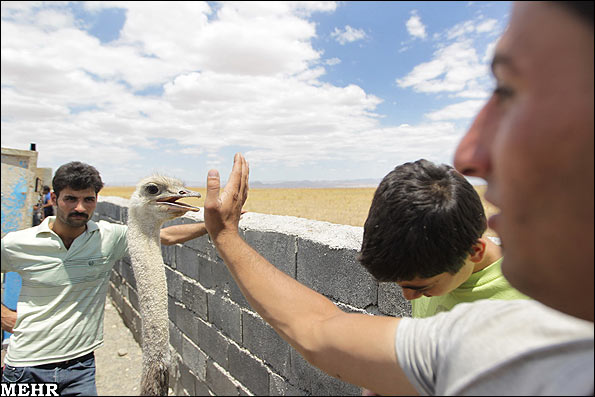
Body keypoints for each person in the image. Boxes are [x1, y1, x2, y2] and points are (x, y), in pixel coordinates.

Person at [202, 2, 593, 395]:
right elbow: (322, 332)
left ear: (474, 252)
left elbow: (320, 333)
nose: (468, 153)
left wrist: (225, 236)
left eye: (511, 92)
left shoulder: (520, 329)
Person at [1, 161, 207, 395]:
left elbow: (163, 236)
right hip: (27, 367)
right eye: (70, 199)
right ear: (55, 198)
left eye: (88, 199)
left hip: (81, 367)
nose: (80, 207)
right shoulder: (19, 243)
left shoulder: (108, 237)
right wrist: (5, 315)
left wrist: (213, 224)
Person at [359, 159, 528, 318]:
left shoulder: (524, 306)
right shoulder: (425, 257)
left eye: (423, 288)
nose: (408, 297)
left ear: (475, 251)